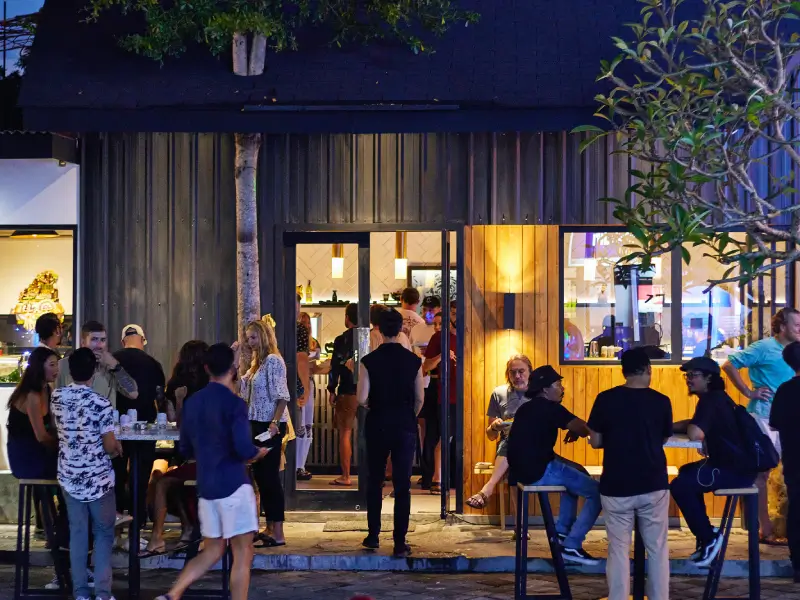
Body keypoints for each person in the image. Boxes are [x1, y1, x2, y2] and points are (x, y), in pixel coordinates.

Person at [155, 343, 267, 600]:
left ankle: (173, 594)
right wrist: (257, 452)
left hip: (206, 485)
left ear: (206, 368)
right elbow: (242, 447)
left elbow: (184, 447)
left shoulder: (193, 403)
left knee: (212, 550)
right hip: (233, 484)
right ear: (233, 369)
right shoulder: (235, 404)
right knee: (242, 553)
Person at [587, 348, 672, 600]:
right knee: (657, 550)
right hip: (653, 483)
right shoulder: (661, 401)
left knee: (618, 550)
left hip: (616, 484)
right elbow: (663, 438)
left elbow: (595, 441)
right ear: (648, 369)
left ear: (623, 372)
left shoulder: (605, 399)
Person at [507, 365, 601, 565]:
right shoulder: (550, 407)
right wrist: (575, 430)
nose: (562, 389)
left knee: (576, 473)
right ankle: (572, 545)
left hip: (520, 473)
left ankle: (561, 533)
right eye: (558, 384)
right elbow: (584, 428)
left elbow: (536, 450)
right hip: (540, 471)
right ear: (545, 389)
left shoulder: (525, 409)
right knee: (598, 493)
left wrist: (574, 431)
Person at [722, 306, 800, 543]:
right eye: (797, 325)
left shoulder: (796, 351)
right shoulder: (764, 347)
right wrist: (748, 392)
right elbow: (729, 365)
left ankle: (784, 529)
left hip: (789, 420)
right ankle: (764, 529)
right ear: (782, 326)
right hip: (763, 418)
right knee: (762, 474)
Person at [671, 355, 757, 568]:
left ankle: (709, 538)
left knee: (680, 486)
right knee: (686, 472)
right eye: (687, 376)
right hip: (737, 468)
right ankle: (705, 539)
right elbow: (697, 425)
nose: (689, 380)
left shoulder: (711, 400)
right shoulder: (717, 398)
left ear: (709, 378)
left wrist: (691, 429)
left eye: (693, 375)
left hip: (733, 471)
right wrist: (674, 426)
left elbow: (695, 433)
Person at [51, 348, 122, 600]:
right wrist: (117, 447)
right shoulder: (100, 403)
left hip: (69, 476)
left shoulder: (56, 397)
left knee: (78, 534)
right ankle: (102, 593)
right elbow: (109, 445)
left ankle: (80, 592)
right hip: (98, 479)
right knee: (103, 533)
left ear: (70, 371)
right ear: (94, 371)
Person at [358, 308, 424, 557]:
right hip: (404, 424)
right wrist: (408, 414)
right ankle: (399, 541)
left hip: (377, 422)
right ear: (400, 329)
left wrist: (374, 405)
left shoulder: (369, 361)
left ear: (379, 329)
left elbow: (362, 397)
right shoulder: (413, 361)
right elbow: (420, 398)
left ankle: (373, 535)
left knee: (375, 480)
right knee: (403, 484)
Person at [143, 340, 209, 557]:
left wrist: (179, 401)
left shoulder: (182, 387)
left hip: (198, 459)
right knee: (168, 478)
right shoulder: (211, 387)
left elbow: (177, 422)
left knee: (163, 482)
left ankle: (158, 537)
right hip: (196, 457)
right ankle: (188, 528)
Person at [241, 319, 291, 547]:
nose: (250, 342)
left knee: (269, 477)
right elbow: (242, 387)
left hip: (270, 425)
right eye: (248, 338)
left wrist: (274, 423)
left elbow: (282, 395)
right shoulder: (257, 362)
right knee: (262, 477)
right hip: (257, 423)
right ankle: (270, 527)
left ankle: (278, 531)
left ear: (263, 336)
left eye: (253, 337)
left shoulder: (273, 360)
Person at [112, 324, 166, 528]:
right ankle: (138, 521)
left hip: (116, 427)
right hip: (145, 428)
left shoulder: (112, 361)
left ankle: (116, 521)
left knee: (116, 476)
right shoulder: (153, 363)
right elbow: (160, 397)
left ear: (122, 341)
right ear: (143, 340)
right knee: (141, 476)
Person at [466, 354, 532, 509]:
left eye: (521, 371)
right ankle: (519, 522)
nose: (517, 376)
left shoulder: (540, 393)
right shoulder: (499, 393)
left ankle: (487, 489)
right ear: (508, 374)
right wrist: (495, 426)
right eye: (512, 372)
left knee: (514, 447)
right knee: (513, 454)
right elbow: (491, 436)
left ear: (530, 371)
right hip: (509, 448)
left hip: (534, 445)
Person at [56, 320, 139, 409]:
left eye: (103, 340)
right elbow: (55, 403)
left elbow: (133, 394)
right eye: (94, 339)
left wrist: (116, 367)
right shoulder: (63, 365)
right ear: (83, 342)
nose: (99, 345)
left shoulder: (112, 366)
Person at [769, 342, 800, 582]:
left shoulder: (785, 390)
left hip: (794, 459)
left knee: (796, 510)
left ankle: (798, 566)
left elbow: (775, 423)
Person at [423, 311, 458, 494]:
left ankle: (460, 478)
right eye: (453, 314)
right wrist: (441, 357)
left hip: (467, 394)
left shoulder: (471, 335)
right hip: (446, 394)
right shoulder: (439, 338)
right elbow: (426, 367)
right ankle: (437, 477)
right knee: (444, 436)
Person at [327, 303, 360, 487]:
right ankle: (374, 475)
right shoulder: (368, 337)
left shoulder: (341, 340)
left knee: (345, 433)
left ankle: (346, 476)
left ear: (347, 318)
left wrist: (331, 389)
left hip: (347, 391)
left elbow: (334, 367)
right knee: (370, 434)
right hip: (367, 391)